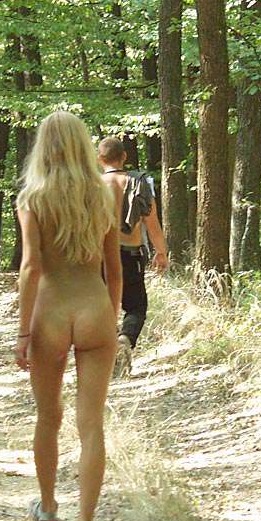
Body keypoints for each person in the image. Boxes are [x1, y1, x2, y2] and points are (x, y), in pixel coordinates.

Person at [14, 111, 122, 521]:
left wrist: (23, 333)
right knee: (91, 422)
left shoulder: (33, 198)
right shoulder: (104, 194)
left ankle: (48, 509)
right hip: (95, 309)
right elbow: (114, 269)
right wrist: (112, 318)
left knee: (48, 416)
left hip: (51, 313)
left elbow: (30, 267)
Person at [98, 137, 169, 378]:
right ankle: (125, 339)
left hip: (98, 256)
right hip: (131, 254)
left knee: (103, 308)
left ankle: (106, 357)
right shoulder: (138, 183)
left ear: (99, 159)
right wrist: (161, 252)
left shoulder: (92, 185)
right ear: (124, 157)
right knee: (136, 306)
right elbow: (152, 222)